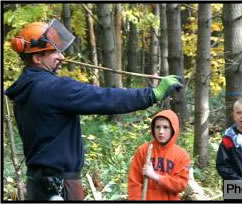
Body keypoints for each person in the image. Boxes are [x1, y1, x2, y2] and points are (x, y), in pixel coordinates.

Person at [5, 19, 183, 200]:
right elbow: (105, 98)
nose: (61, 57)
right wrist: (153, 94)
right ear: (37, 58)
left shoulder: (25, 89)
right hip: (60, 186)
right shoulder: (53, 88)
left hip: (37, 185)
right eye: (54, 52)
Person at [128, 110, 190, 200]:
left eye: (165, 127)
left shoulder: (181, 155)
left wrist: (155, 176)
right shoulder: (143, 150)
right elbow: (134, 182)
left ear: (173, 129)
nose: (161, 131)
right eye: (157, 127)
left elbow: (180, 184)